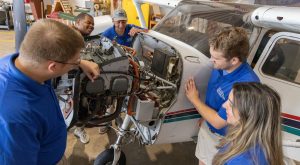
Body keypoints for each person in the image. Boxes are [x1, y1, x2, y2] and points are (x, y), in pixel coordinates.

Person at [0, 19, 100, 164]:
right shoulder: (15, 120)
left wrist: (80, 63)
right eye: (74, 62)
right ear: (52, 67)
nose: (75, 65)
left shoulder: (25, 62)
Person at [185, 27, 260, 165]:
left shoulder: (246, 85)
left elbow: (219, 122)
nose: (210, 60)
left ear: (234, 60)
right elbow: (215, 95)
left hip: (223, 139)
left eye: (216, 58)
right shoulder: (221, 66)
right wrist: (206, 118)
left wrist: (194, 99)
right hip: (209, 127)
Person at [213, 82, 283, 165]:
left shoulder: (243, 161)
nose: (224, 105)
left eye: (231, 104)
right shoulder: (253, 141)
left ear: (250, 115)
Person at [72, 12, 95, 144]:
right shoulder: (73, 36)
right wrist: (82, 63)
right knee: (82, 101)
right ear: (77, 22)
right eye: (88, 22)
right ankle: (79, 128)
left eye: (93, 24)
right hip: (69, 79)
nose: (91, 26)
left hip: (72, 75)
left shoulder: (78, 36)